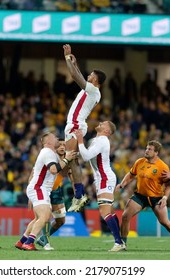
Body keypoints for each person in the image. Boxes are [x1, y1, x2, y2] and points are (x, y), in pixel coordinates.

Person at [117, 140, 170, 250]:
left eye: (149, 149)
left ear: (156, 152)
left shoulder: (162, 166)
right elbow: (131, 174)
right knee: (125, 216)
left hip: (156, 198)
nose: (146, 151)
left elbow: (169, 185)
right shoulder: (139, 162)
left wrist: (165, 197)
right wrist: (122, 184)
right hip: (140, 196)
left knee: (165, 222)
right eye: (146, 148)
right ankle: (123, 244)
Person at [62, 43, 107, 212]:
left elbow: (75, 77)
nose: (88, 75)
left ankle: (79, 195)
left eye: (91, 75)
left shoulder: (94, 91)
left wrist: (67, 57)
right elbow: (79, 74)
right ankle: (78, 195)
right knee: (71, 160)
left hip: (77, 125)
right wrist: (75, 63)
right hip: (72, 125)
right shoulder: (92, 90)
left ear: (95, 80)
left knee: (70, 158)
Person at [14, 132, 76, 251]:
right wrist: (67, 160)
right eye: (54, 137)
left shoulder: (50, 153)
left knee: (40, 218)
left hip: (41, 189)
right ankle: (30, 242)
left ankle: (22, 241)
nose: (56, 138)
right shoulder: (48, 152)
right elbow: (53, 170)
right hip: (39, 187)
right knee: (45, 216)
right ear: (49, 142)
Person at [74, 121, 125, 251]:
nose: (101, 122)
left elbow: (85, 156)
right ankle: (121, 241)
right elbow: (86, 154)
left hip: (105, 178)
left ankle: (118, 242)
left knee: (104, 211)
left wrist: (80, 140)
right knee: (110, 211)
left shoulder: (102, 140)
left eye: (104, 123)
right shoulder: (96, 140)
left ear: (107, 131)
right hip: (101, 178)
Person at [36, 139, 74, 250]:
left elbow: (71, 176)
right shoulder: (50, 157)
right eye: (59, 145)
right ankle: (46, 243)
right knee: (46, 216)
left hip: (57, 190)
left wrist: (77, 192)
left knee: (61, 221)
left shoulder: (68, 160)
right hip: (44, 190)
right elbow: (35, 172)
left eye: (64, 145)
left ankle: (42, 238)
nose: (62, 147)